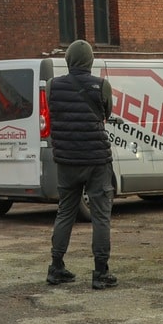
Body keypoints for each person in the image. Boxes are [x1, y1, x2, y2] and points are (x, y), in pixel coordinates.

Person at [46, 39, 117, 290]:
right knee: (100, 215)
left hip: (66, 159)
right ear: (90, 61)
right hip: (96, 159)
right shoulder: (101, 86)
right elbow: (107, 113)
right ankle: (100, 272)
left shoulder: (52, 86)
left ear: (68, 60)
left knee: (65, 211)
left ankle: (56, 267)